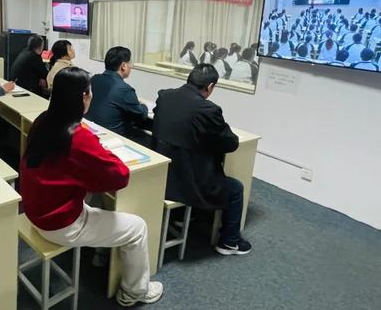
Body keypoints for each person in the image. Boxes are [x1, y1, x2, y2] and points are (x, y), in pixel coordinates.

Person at [21, 67, 163, 307]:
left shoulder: (43, 121)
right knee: (137, 228)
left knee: (97, 199)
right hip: (60, 223)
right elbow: (120, 177)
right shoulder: (79, 137)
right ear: (84, 96)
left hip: (36, 210)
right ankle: (135, 291)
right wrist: (101, 149)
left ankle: (101, 253)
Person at [152, 64, 250, 256]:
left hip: (162, 174)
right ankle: (229, 242)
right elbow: (230, 143)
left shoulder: (165, 96)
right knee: (235, 189)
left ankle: (180, 216)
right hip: (188, 182)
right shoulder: (209, 109)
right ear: (210, 86)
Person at [86, 46, 150, 140]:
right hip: (111, 137)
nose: (131, 66)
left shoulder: (94, 79)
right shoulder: (124, 89)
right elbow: (141, 115)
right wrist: (144, 106)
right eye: (130, 63)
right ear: (123, 66)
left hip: (91, 130)